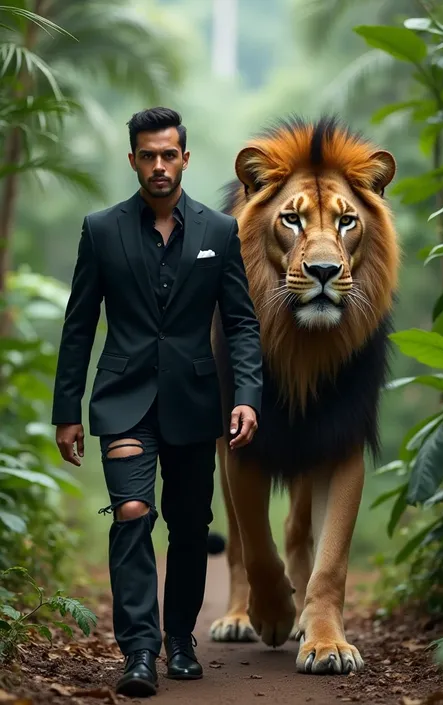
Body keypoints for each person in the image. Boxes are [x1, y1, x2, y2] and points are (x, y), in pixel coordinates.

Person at [51, 107, 262, 698]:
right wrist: (67, 409)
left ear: (185, 159)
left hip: (197, 403)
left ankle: (180, 642)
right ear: (134, 161)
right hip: (124, 399)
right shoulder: (101, 229)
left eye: (170, 154)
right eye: (149, 155)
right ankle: (140, 650)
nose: (160, 165)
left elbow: (242, 325)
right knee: (132, 514)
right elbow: (78, 324)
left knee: (191, 526)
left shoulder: (220, 233)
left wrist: (246, 396)